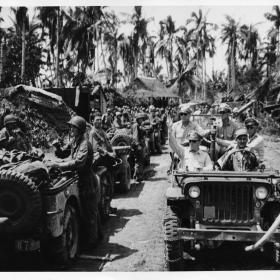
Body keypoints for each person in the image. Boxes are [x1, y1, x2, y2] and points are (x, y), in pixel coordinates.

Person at [49, 115, 101, 247]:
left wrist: (60, 165)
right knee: (85, 210)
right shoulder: (75, 141)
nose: (71, 130)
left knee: (90, 212)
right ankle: (94, 236)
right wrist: (57, 147)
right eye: (71, 127)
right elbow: (64, 153)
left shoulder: (84, 144)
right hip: (80, 179)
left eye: (74, 128)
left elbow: (78, 162)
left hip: (87, 180)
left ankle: (92, 243)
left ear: (80, 129)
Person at [131, 112, 147, 182]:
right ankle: (138, 176)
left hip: (140, 144)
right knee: (139, 161)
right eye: (140, 119)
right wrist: (138, 145)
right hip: (138, 146)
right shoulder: (136, 125)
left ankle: (136, 175)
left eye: (142, 119)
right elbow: (135, 137)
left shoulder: (138, 125)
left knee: (140, 160)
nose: (142, 120)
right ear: (138, 119)